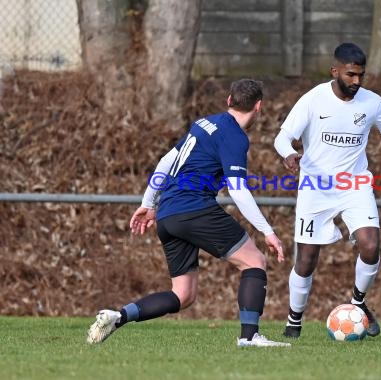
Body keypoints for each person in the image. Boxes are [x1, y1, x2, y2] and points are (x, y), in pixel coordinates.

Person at [87, 79, 290, 347]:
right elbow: (238, 190)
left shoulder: (204, 123)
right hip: (195, 209)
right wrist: (268, 231)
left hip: (168, 214)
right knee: (254, 262)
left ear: (229, 100)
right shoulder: (234, 136)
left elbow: (165, 161)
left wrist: (149, 204)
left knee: (183, 295)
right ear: (259, 107)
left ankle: (117, 316)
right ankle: (250, 337)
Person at [274, 42, 381, 338]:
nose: (356, 82)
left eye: (361, 75)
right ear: (335, 71)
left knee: (370, 245)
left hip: (355, 186)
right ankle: (294, 320)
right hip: (315, 188)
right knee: (306, 261)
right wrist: (288, 154)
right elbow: (283, 137)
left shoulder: (372, 103)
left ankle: (358, 304)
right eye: (350, 75)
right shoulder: (313, 100)